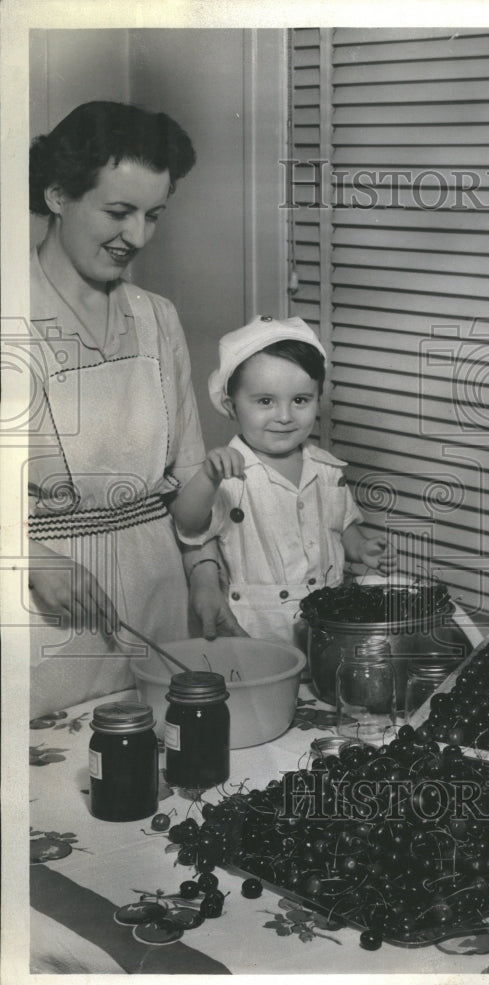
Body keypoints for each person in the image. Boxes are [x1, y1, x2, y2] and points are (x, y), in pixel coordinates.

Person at [25, 101, 244, 717]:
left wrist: (202, 571)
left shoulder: (156, 318)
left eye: (154, 216)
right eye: (118, 213)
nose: (138, 237)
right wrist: (28, 556)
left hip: (159, 604)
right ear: (59, 195)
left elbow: (186, 475)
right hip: (45, 618)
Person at [171, 315, 398, 647]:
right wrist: (207, 477)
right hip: (258, 631)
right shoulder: (228, 472)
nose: (284, 416)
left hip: (329, 623)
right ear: (230, 406)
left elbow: (340, 525)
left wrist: (361, 547)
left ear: (318, 399)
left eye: (300, 400)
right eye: (265, 401)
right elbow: (188, 523)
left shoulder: (326, 469)